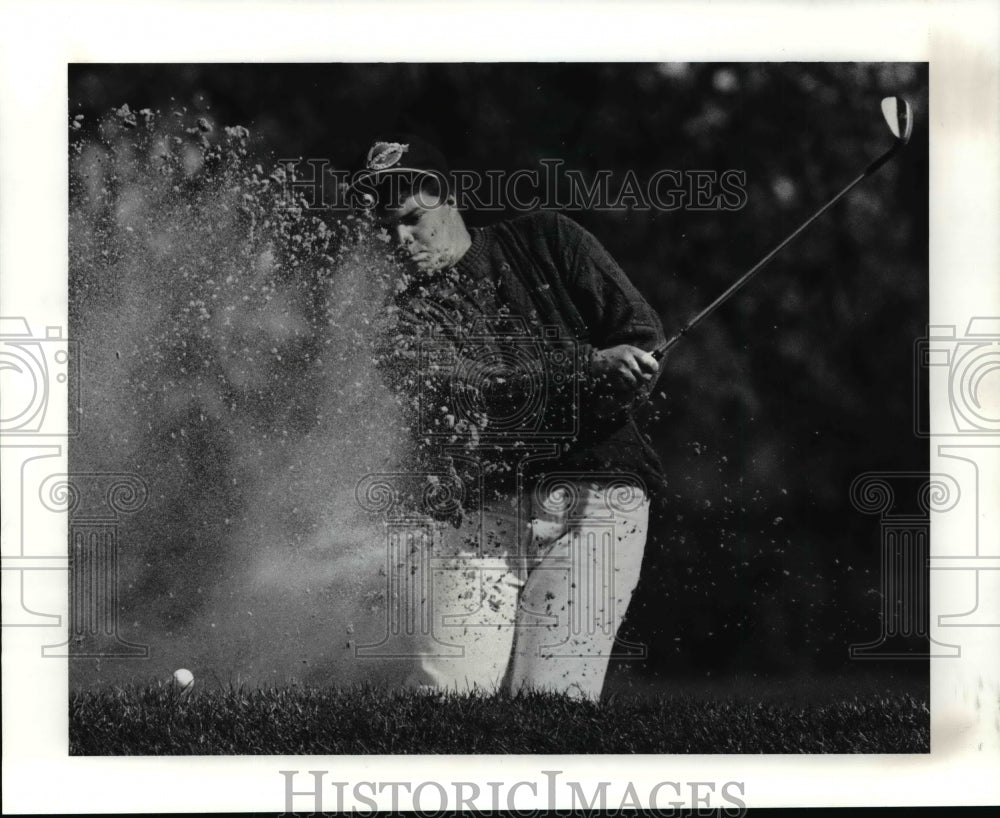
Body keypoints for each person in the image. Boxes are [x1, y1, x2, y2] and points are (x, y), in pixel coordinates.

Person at [354, 136, 665, 700]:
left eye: (411, 220)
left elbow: (640, 336)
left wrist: (620, 376)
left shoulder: (548, 238)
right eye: (385, 229)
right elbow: (475, 390)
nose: (400, 241)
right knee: (444, 697)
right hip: (482, 513)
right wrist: (587, 368)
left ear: (445, 197)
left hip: (598, 503)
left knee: (552, 705)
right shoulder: (401, 321)